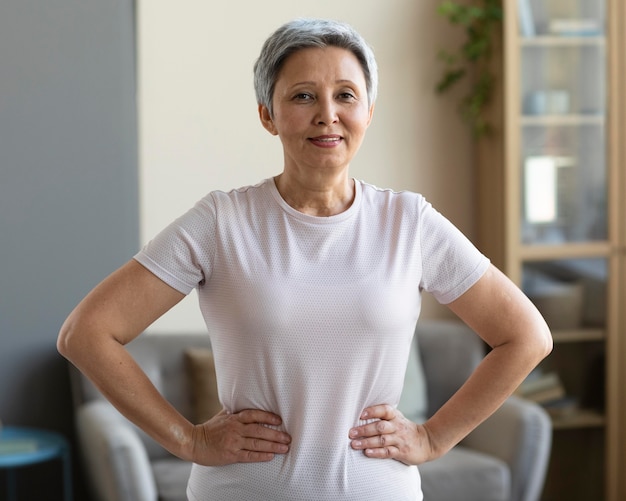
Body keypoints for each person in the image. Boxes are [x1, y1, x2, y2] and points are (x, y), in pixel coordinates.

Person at [58, 18, 552, 501]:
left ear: (369, 111)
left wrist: (433, 437)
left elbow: (526, 336)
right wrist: (188, 440)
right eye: (302, 95)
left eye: (345, 95)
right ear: (267, 114)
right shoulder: (221, 221)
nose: (327, 114)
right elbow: (86, 333)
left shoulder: (410, 222)